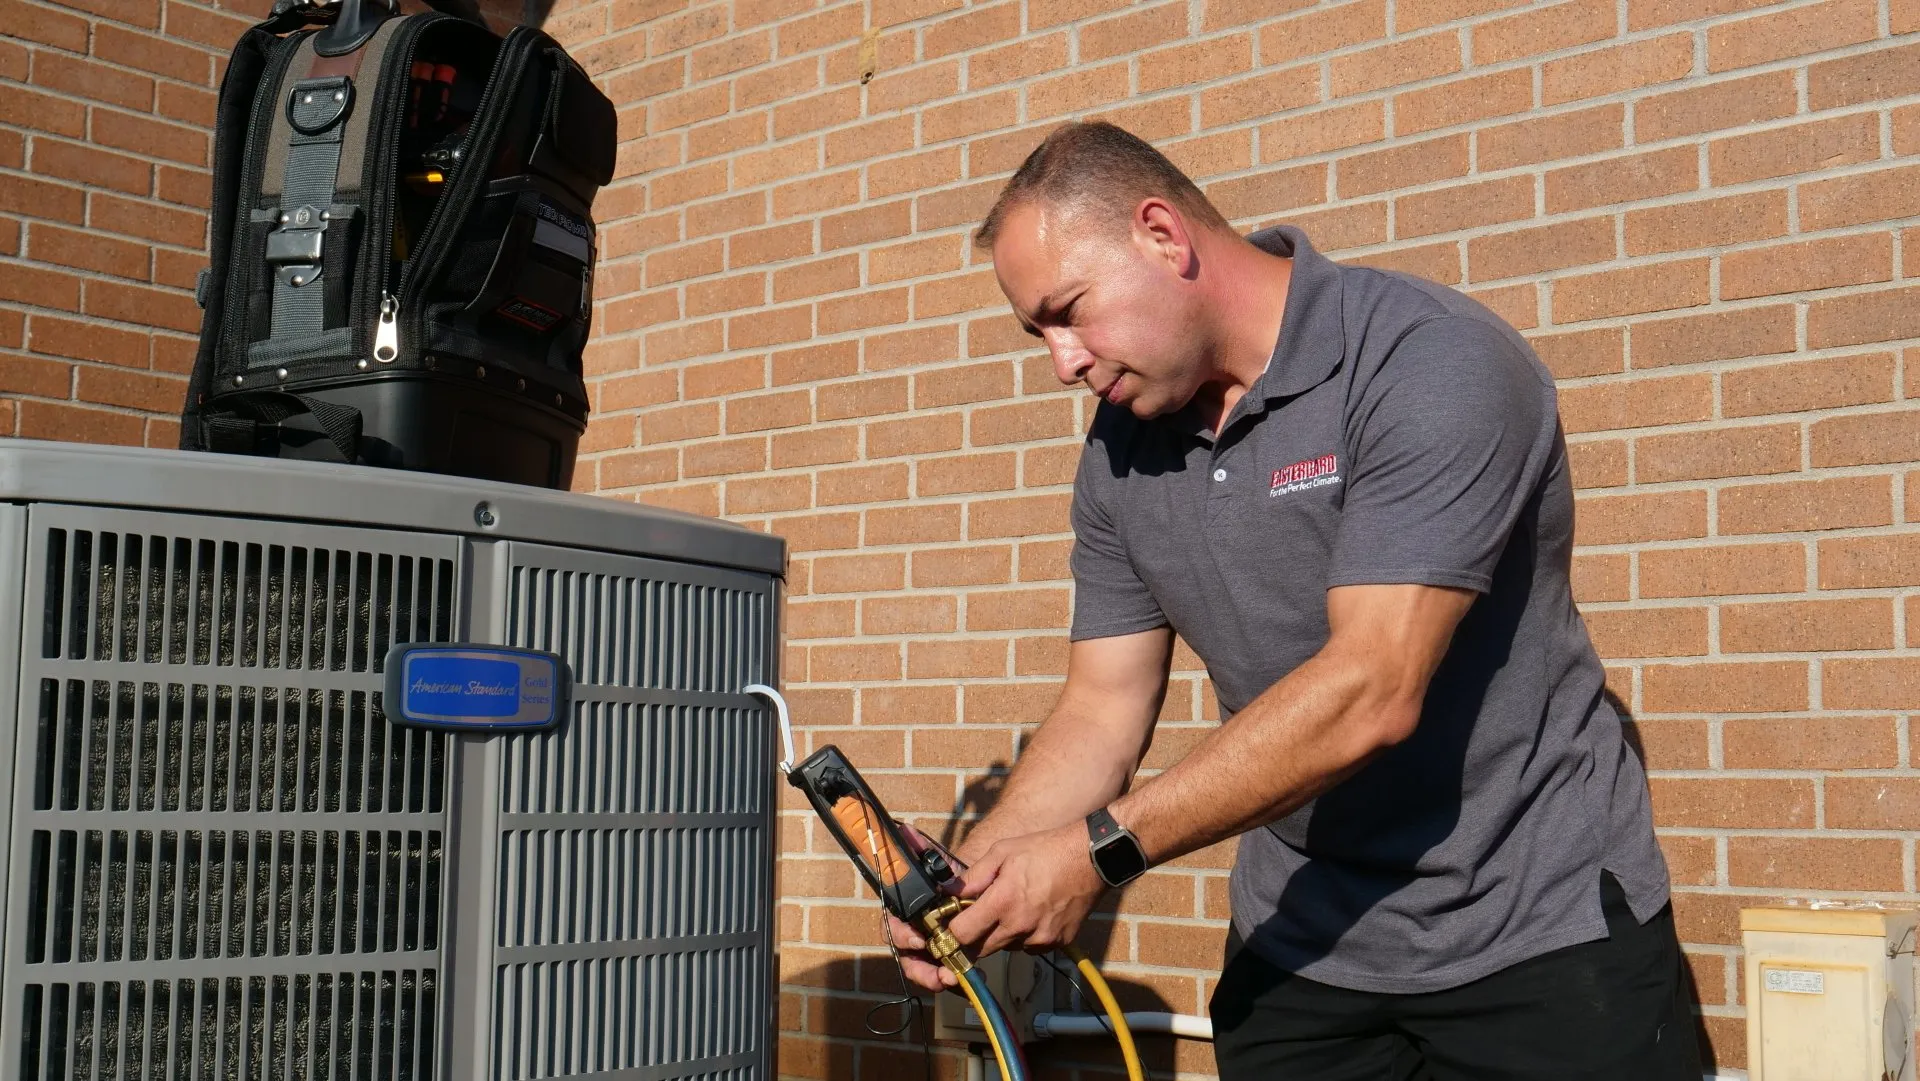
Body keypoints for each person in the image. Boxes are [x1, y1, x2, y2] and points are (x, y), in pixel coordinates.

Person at [886, 121, 1703, 1080]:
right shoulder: (1121, 446)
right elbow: (1102, 706)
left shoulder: (1427, 361)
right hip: (1306, 947)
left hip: (1536, 935)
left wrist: (1096, 854)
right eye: (1040, 332)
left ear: (1163, 234)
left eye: (1069, 311)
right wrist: (980, 879)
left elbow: (1373, 686)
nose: (1063, 360)